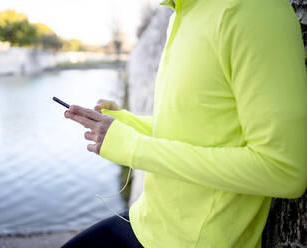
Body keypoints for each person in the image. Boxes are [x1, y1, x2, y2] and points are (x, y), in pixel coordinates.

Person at [62, 0, 307, 247]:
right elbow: (194, 127)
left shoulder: (254, 10)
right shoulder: (182, 12)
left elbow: (283, 170)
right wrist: (126, 124)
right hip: (147, 221)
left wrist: (132, 147)